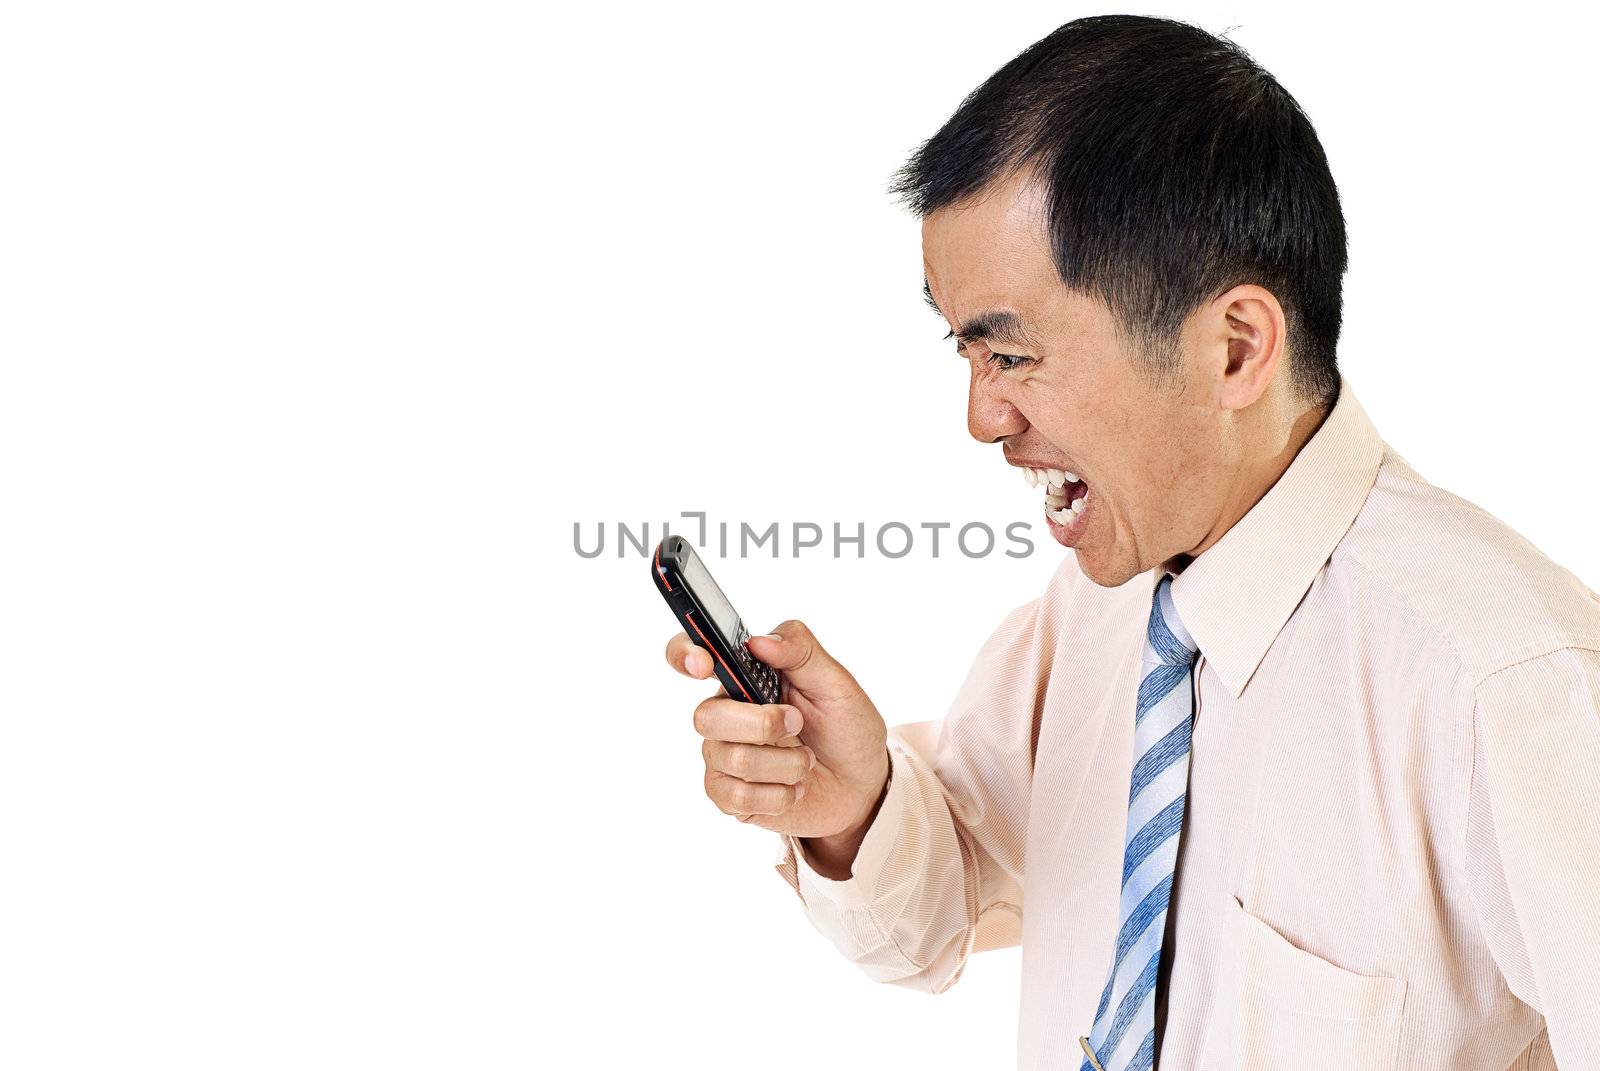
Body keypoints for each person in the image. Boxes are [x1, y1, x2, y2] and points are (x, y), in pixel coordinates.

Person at [662, 14, 1599, 1070]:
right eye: (962, 349)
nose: (982, 417)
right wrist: (855, 800)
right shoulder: (1107, 608)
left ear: (1234, 348)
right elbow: (941, 905)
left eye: (1010, 355)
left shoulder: (1507, 685)